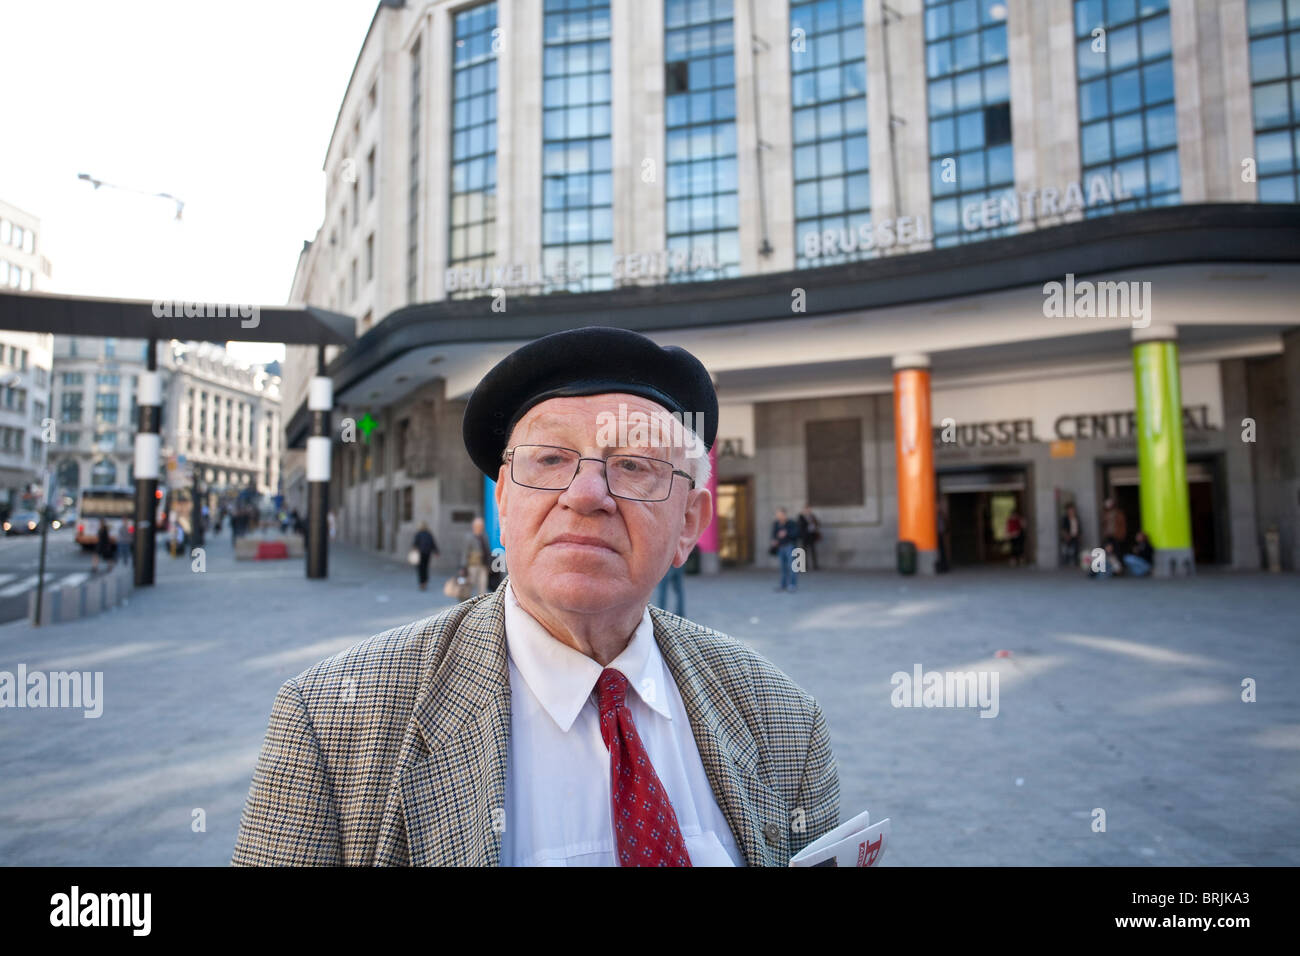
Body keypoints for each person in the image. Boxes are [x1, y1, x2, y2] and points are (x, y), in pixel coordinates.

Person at [234, 326, 839, 867]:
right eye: (549, 459)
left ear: (689, 523)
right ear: (502, 503)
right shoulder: (332, 721)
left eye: (633, 465)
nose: (585, 493)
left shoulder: (785, 721)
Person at [770, 507, 799, 591]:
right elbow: (774, 534)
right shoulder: (776, 523)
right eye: (777, 515)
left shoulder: (791, 523)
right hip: (780, 547)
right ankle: (783, 585)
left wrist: (786, 533)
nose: (778, 516)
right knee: (783, 567)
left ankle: (792, 585)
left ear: (784, 515)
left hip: (790, 546)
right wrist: (774, 540)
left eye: (780, 515)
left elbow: (796, 534)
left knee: (791, 566)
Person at [461, 517, 490, 596]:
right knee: (470, 584)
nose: (480, 527)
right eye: (479, 526)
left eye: (481, 525)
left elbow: (487, 550)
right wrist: (463, 566)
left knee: (483, 585)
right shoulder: (469, 537)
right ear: (474, 526)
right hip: (472, 565)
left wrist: (488, 564)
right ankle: (467, 601)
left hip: (483, 565)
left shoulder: (484, 536)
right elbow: (465, 552)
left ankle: (482, 604)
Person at [412, 521, 438, 590]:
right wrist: (436, 551)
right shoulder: (429, 534)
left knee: (420, 569)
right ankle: (425, 582)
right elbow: (433, 543)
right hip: (427, 553)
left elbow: (415, 544)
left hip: (420, 554)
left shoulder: (418, 534)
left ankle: (422, 583)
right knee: (425, 568)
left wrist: (414, 551)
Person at [797, 505, 820, 571]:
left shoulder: (812, 516)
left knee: (813, 551)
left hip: (811, 536)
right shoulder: (801, 517)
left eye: (809, 509)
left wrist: (814, 524)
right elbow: (800, 525)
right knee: (804, 552)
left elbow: (817, 523)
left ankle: (815, 565)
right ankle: (804, 566)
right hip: (804, 537)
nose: (808, 511)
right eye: (806, 509)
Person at [1060, 503, 1081, 567]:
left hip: (1075, 535)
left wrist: (1080, 534)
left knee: (1076, 549)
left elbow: (1079, 527)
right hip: (1068, 536)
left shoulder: (1076, 517)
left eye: (1072, 510)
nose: (1071, 511)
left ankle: (1075, 562)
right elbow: (1063, 528)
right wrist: (1066, 535)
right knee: (1067, 550)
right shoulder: (1065, 518)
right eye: (1070, 510)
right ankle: (1066, 562)